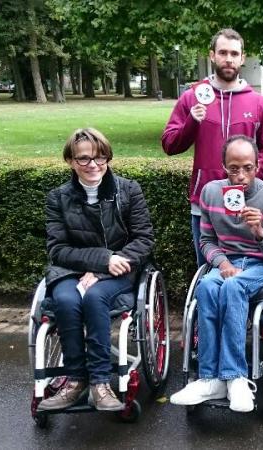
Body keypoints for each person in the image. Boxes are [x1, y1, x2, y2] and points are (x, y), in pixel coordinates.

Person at [170, 135, 263, 413]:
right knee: (206, 287)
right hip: (228, 263)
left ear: (258, 165)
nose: (241, 176)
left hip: (262, 265)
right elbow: (206, 241)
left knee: (233, 287)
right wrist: (222, 263)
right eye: (233, 168)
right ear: (223, 166)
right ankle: (209, 377)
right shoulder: (211, 193)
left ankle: (235, 377)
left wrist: (260, 233)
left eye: (248, 168)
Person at [38, 128, 155, 412]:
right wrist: (101, 260)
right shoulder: (58, 197)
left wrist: (106, 268)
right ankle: (75, 382)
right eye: (84, 159)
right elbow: (58, 250)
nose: (93, 165)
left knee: (94, 297)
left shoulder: (128, 190)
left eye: (100, 158)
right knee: (66, 300)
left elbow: (144, 240)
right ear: (70, 161)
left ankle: (100, 383)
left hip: (120, 269)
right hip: (71, 271)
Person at [162, 28, 263, 268]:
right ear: (212, 56)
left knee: (248, 266)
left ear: (242, 57)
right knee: (207, 268)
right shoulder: (192, 97)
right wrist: (191, 123)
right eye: (223, 52)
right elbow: (170, 144)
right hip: (205, 201)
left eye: (234, 53)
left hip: (248, 201)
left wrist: (251, 178)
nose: (229, 59)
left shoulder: (258, 103)